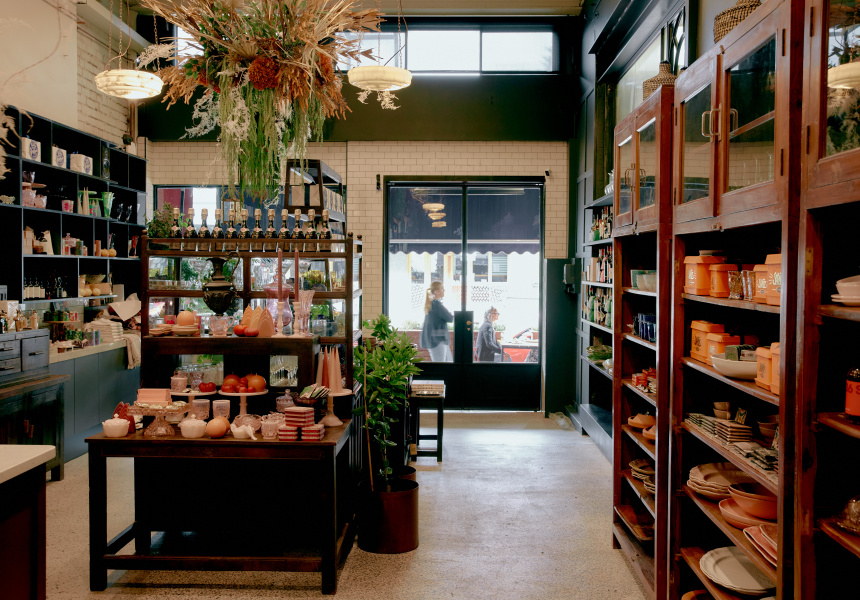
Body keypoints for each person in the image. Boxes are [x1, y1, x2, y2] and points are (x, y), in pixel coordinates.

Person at [420, 281, 453, 362]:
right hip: (437, 340)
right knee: (440, 365)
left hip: (437, 340)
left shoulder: (433, 304)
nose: (444, 290)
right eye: (442, 289)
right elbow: (449, 318)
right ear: (437, 292)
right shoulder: (436, 305)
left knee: (447, 363)